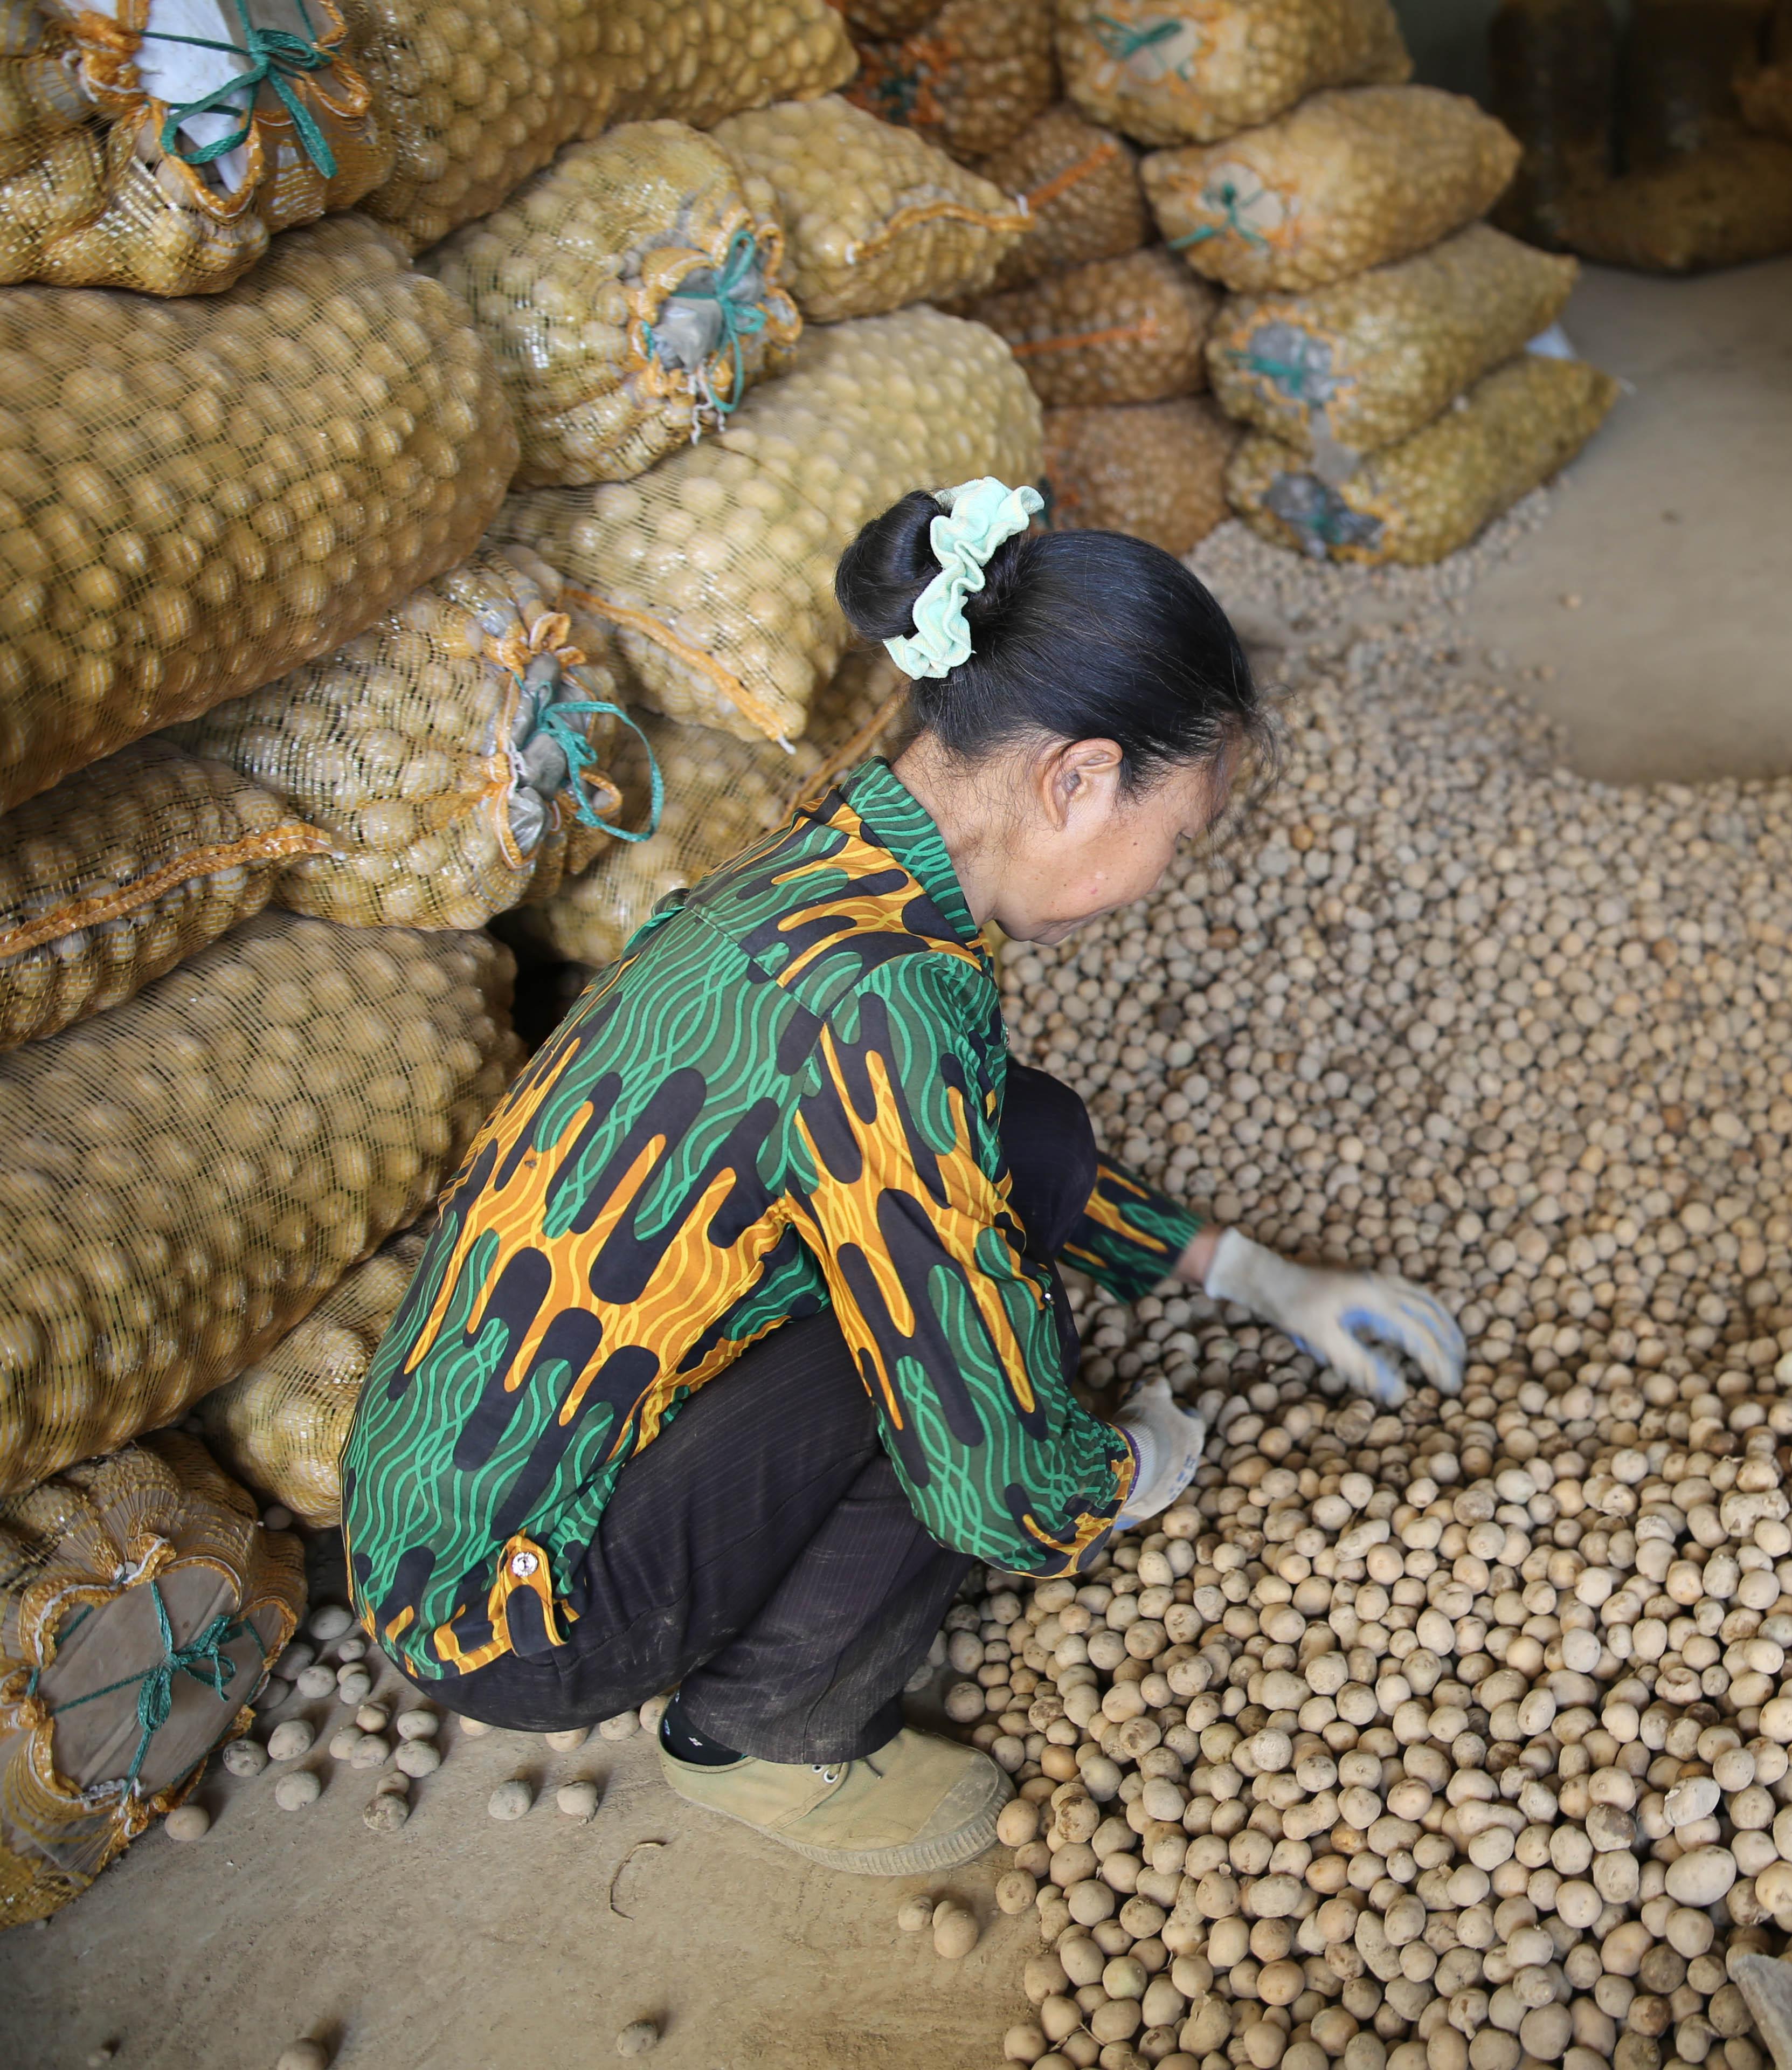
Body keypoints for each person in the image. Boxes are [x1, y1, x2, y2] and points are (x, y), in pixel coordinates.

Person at [339, 482, 1466, 1876]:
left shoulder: (845, 864)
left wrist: (1248, 1273)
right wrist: (1130, 1472)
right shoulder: (891, 1002)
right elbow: (994, 1478)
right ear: (1078, 778)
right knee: (990, 1356)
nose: (1165, 877)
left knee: (1027, 1141)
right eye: (1177, 837)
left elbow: (968, 1152)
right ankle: (764, 1735)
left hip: (436, 1500)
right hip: (513, 1606)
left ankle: (773, 1600)